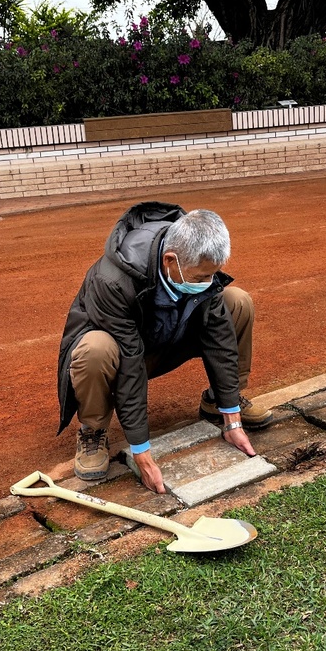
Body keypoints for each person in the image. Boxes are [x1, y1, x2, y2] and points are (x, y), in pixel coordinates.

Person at [57, 201, 273, 494]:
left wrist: (232, 417)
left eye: (213, 274)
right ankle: (93, 430)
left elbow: (221, 341)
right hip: (123, 354)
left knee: (236, 301)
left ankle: (217, 402)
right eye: (200, 277)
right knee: (95, 348)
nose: (207, 283)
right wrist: (141, 453)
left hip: (168, 338)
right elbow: (130, 361)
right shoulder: (113, 279)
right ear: (170, 260)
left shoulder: (194, 260)